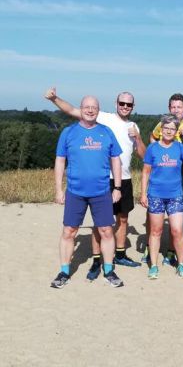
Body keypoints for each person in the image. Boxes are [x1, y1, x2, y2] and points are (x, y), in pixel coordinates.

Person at [45, 87, 146, 281]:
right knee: (89, 227)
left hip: (120, 179)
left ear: (133, 107)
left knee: (119, 221)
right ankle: (93, 261)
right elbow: (71, 110)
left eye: (129, 104)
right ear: (116, 104)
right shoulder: (102, 119)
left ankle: (119, 257)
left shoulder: (131, 126)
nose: (125, 106)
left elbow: (141, 155)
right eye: (122, 103)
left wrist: (138, 137)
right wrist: (54, 98)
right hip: (94, 183)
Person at [50, 95, 124, 288]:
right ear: (81, 109)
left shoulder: (106, 132)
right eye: (87, 107)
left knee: (106, 230)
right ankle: (64, 271)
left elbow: (116, 160)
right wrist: (59, 189)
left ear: (98, 110)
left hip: (101, 191)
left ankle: (109, 270)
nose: (90, 110)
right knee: (69, 231)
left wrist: (117, 187)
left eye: (94, 107)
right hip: (75, 191)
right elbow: (60, 161)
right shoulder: (68, 132)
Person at [140, 114, 183, 280]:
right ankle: (154, 265)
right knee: (156, 231)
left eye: (172, 129)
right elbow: (146, 172)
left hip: (175, 195)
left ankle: (181, 264)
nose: (169, 131)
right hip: (155, 195)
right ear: (161, 129)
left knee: (177, 230)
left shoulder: (179, 148)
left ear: (176, 132)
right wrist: (143, 194)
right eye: (166, 128)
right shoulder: (152, 149)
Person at [147, 93, 183, 266]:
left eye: (179, 107)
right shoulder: (162, 124)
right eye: (173, 106)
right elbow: (153, 138)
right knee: (158, 224)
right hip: (165, 176)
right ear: (169, 108)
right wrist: (154, 150)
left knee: (178, 223)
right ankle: (157, 254)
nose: (176, 110)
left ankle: (174, 252)